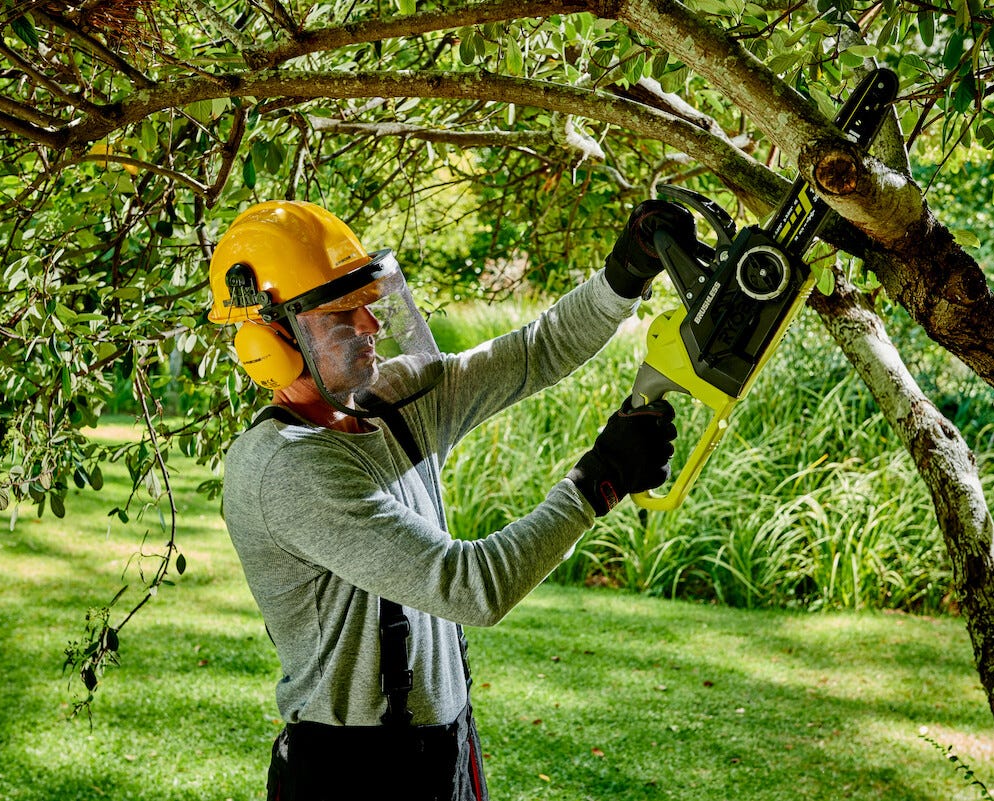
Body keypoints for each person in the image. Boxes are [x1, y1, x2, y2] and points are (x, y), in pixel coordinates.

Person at [207, 198, 693, 800]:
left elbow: (535, 353)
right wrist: (598, 483)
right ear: (270, 340)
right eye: (342, 313)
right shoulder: (287, 467)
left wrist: (624, 275)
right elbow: (470, 587)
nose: (371, 324)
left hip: (446, 743)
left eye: (368, 299)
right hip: (354, 771)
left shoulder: (391, 403)